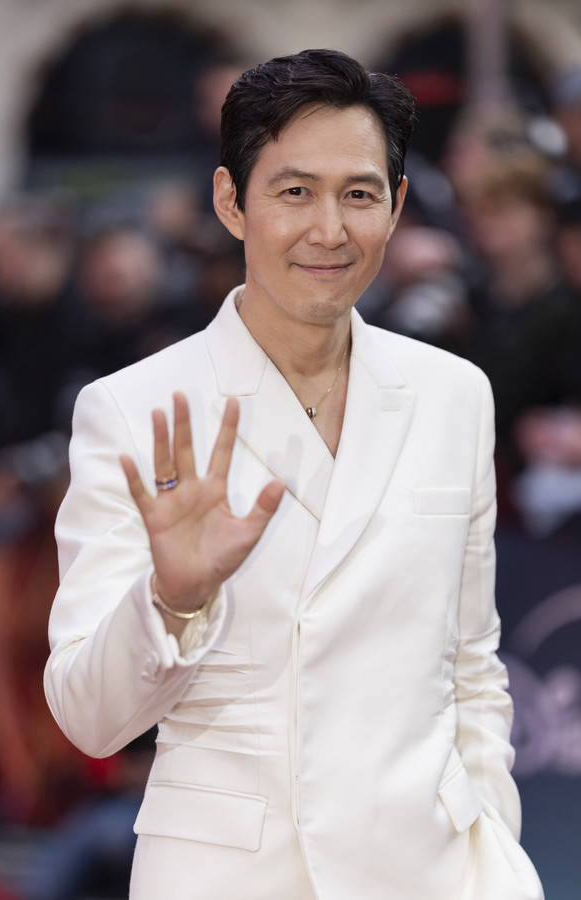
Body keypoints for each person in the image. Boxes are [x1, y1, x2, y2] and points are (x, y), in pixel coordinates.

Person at [44, 49, 544, 900]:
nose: (329, 229)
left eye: (360, 195)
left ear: (397, 207)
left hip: (432, 873)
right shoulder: (134, 408)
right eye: (295, 191)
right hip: (231, 876)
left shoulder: (454, 394)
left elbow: (471, 664)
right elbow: (88, 718)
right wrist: (173, 600)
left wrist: (493, 837)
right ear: (230, 202)